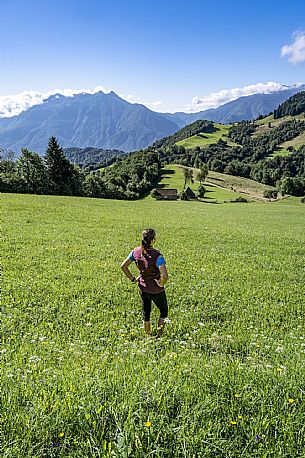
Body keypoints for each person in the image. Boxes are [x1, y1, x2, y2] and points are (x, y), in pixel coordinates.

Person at [121, 228, 169, 336]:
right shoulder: (157, 256)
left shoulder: (136, 252)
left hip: (142, 288)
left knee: (146, 313)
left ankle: (148, 336)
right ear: (153, 240)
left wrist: (133, 279)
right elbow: (165, 276)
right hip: (156, 290)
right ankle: (159, 335)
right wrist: (160, 283)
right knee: (164, 312)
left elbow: (123, 266)